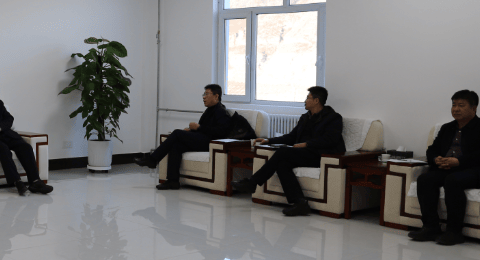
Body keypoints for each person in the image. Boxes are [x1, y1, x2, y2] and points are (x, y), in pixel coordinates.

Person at [232, 86, 344, 217]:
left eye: (308, 98)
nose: (305, 101)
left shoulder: (333, 118)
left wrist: (307, 144)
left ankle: (253, 183)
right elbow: (291, 137)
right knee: (282, 164)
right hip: (305, 153)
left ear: (316, 100)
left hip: (322, 155)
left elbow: (330, 139)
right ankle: (300, 203)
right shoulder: (305, 118)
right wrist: (269, 140)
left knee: (283, 152)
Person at [411, 90, 480, 245]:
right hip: (448, 168)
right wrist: (435, 159)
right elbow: (432, 149)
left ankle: (454, 232)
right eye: (453, 105)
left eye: (461, 105)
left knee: (453, 180)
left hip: (475, 169)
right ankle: (430, 227)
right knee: (425, 179)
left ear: (474, 108)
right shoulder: (447, 128)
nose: (456, 109)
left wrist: (459, 162)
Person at [134, 84, 232, 190]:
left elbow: (221, 132)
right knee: (176, 145)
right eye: (204, 94)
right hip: (201, 139)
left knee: (177, 133)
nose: (204, 97)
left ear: (216, 96)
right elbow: (204, 128)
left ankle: (153, 159)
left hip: (210, 143)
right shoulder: (209, 110)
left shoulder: (221, 111)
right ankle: (172, 181)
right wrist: (192, 130)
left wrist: (199, 127)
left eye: (207, 94)